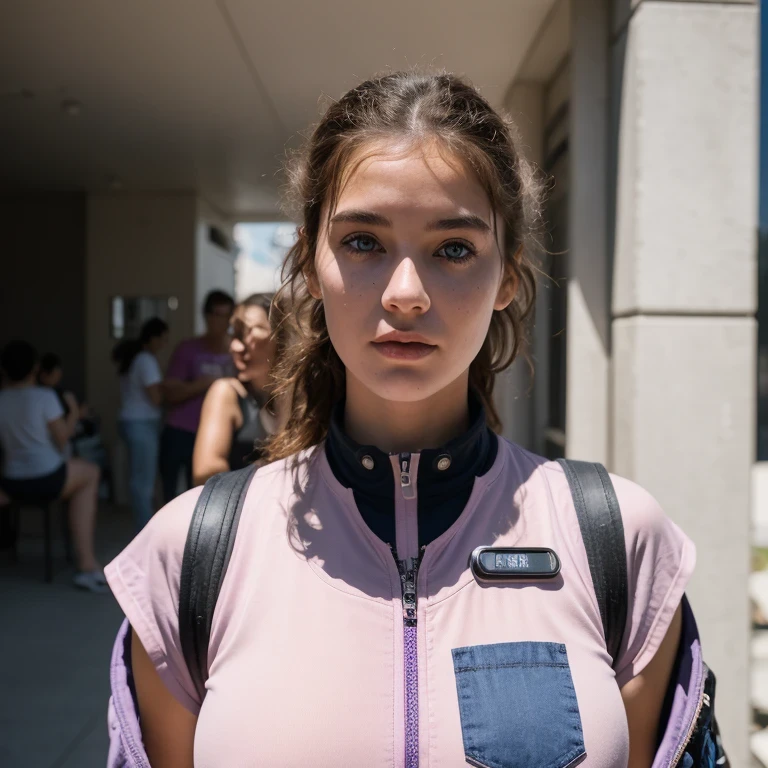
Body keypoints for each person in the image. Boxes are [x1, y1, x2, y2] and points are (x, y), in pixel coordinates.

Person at [105, 73, 695, 766]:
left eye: (453, 248)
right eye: (363, 241)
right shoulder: (189, 554)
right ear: (310, 259)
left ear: (508, 273)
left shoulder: (620, 545)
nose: (406, 293)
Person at [0, 340, 105, 592]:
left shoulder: (2, 399)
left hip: (11, 481)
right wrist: (73, 411)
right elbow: (63, 437)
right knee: (91, 473)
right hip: (47, 477)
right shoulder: (44, 396)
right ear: (35, 368)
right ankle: (86, 565)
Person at [192, 293, 285, 485]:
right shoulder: (226, 392)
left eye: (248, 332)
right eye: (235, 334)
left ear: (282, 335)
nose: (235, 346)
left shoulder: (302, 396)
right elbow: (205, 475)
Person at [159, 290, 235, 502]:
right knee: (172, 495)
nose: (219, 321)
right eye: (214, 315)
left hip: (222, 435)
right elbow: (170, 393)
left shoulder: (237, 350)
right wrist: (203, 384)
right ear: (206, 316)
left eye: (224, 316)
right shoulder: (187, 349)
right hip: (181, 431)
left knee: (214, 497)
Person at [114, 318, 169, 530]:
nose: (164, 344)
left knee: (140, 480)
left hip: (132, 422)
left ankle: (143, 528)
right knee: (143, 483)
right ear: (153, 338)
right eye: (163, 339)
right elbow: (155, 397)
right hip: (142, 424)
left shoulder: (136, 357)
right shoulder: (146, 360)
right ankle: (145, 533)